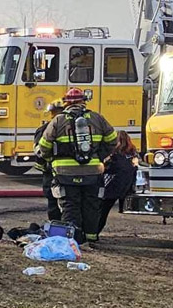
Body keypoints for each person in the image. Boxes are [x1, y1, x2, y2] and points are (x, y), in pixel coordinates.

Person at [37, 88, 117, 246]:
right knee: (91, 205)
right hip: (93, 172)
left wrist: (52, 159)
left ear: (66, 103)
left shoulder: (58, 121)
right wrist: (98, 157)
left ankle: (72, 240)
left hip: (64, 173)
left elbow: (44, 146)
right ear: (84, 102)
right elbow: (112, 140)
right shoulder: (97, 118)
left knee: (70, 206)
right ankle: (92, 238)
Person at [97, 130, 139, 235]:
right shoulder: (133, 154)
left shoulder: (114, 154)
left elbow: (105, 168)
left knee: (102, 212)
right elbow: (135, 168)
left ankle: (94, 233)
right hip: (127, 187)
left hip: (112, 187)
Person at [34, 102, 65, 226]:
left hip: (50, 173)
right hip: (66, 173)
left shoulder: (44, 129)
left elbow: (39, 153)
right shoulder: (70, 128)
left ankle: (56, 229)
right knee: (70, 205)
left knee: (53, 204)